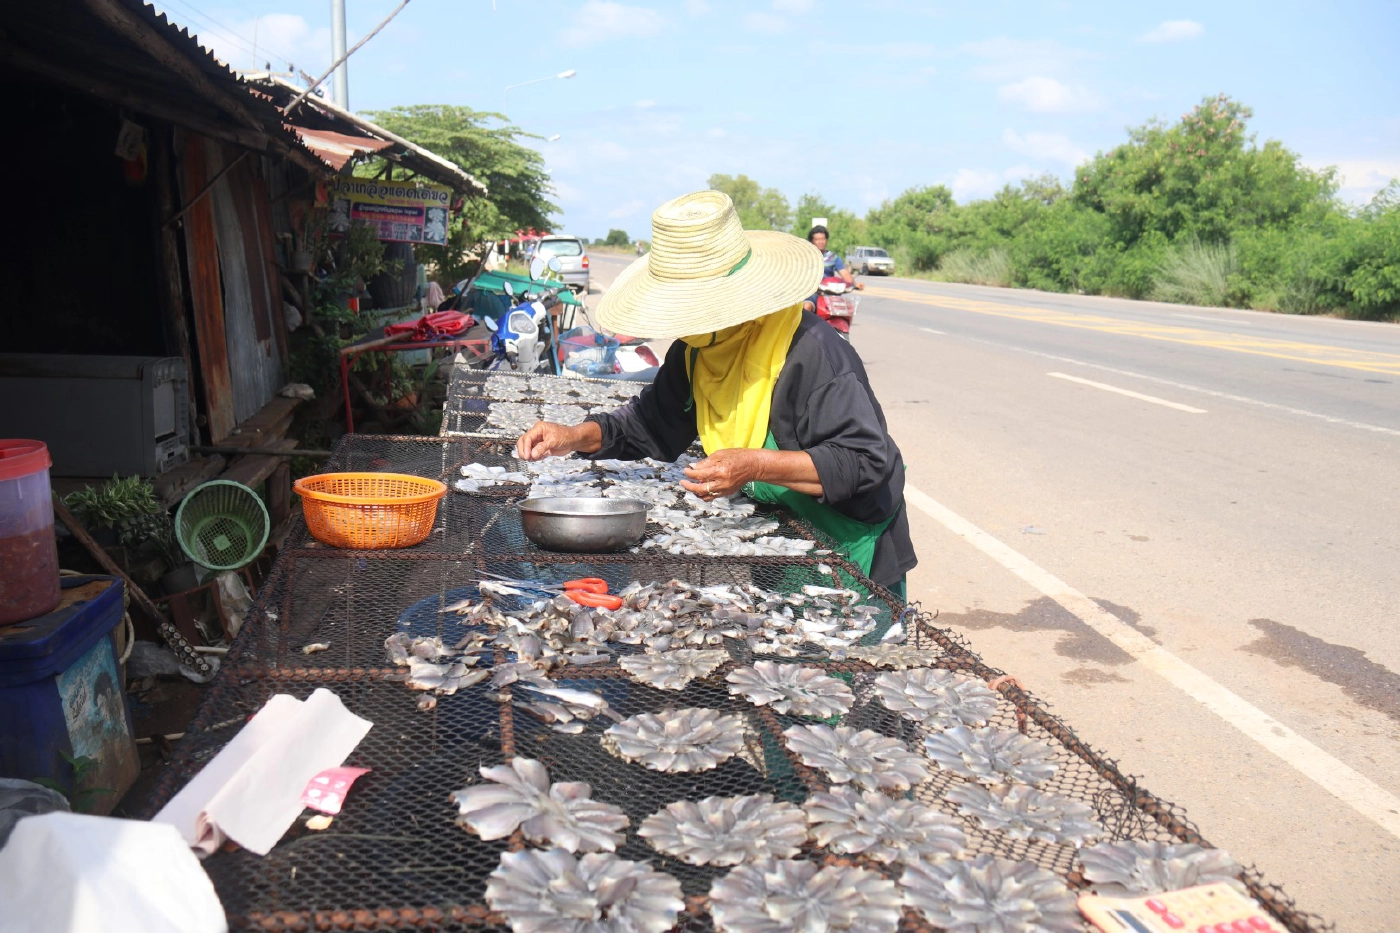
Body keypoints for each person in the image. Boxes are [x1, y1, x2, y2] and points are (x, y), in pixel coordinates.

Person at [515, 191, 916, 594]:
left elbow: (864, 461)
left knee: (854, 655)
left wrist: (755, 465)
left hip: (851, 544)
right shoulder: (697, 350)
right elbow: (649, 421)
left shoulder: (811, 353)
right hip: (781, 537)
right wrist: (573, 437)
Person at [801, 224, 863, 312]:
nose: (821, 242)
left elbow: (844, 273)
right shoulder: (806, 257)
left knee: (845, 309)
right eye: (817, 239)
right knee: (807, 307)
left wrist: (854, 284)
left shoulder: (833, 257)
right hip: (812, 293)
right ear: (812, 241)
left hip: (830, 294)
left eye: (823, 239)